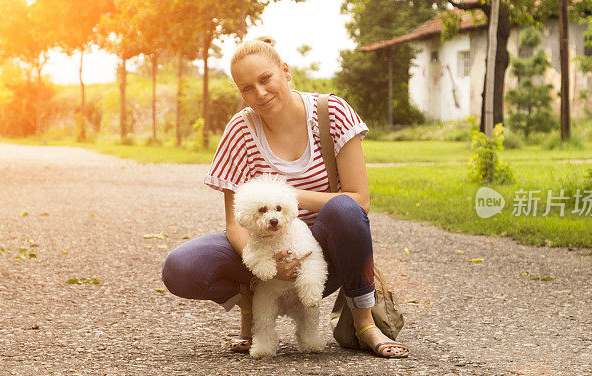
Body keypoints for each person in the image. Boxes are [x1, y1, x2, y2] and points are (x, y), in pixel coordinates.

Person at [161, 37, 408, 358]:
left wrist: (291, 196)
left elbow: (360, 200)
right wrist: (264, 263)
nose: (260, 94)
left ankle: (364, 322)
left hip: (322, 257)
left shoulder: (331, 112)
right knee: (181, 266)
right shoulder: (240, 130)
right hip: (263, 250)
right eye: (247, 88)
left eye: (265, 79)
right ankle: (249, 308)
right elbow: (235, 224)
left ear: (285, 71)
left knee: (344, 208)